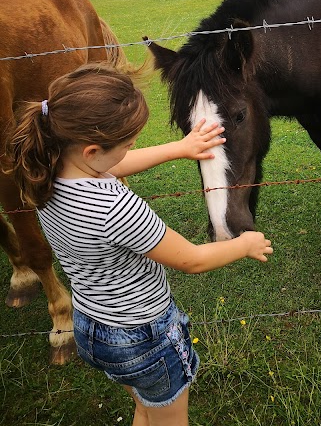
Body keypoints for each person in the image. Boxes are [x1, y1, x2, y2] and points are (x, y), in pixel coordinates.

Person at [6, 63, 273, 426]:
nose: (131, 150)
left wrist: (181, 148)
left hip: (91, 328)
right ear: (92, 151)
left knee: (147, 405)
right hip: (143, 338)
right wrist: (245, 245)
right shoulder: (115, 208)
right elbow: (192, 260)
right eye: (128, 143)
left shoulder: (46, 171)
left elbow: (118, 163)